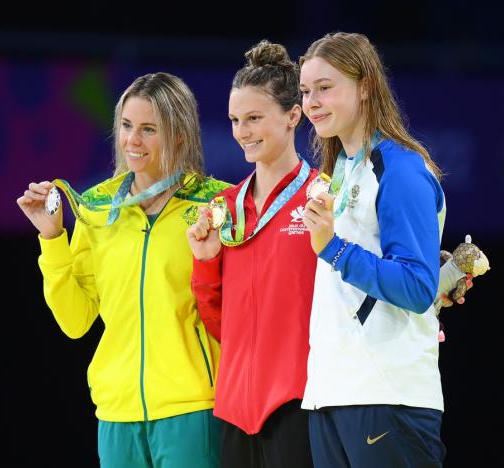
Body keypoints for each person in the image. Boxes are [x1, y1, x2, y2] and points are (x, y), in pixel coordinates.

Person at [16, 72, 228, 468]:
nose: (133, 140)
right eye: (127, 126)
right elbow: (76, 321)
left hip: (192, 407)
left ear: (179, 135)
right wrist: (52, 239)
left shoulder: (215, 204)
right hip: (116, 413)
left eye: (149, 129)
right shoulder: (96, 207)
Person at [299, 32, 450, 467]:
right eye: (307, 91)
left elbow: (418, 286)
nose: (312, 102)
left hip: (387, 394)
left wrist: (334, 249)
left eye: (325, 88)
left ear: (365, 86)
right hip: (331, 392)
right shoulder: (341, 171)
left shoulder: (399, 169)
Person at [186, 41, 317, 468]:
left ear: (293, 115)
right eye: (235, 120)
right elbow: (219, 319)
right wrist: (205, 261)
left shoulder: (323, 197)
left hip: (301, 400)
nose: (242, 131)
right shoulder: (225, 208)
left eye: (255, 118)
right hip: (235, 409)